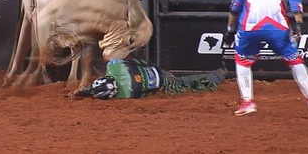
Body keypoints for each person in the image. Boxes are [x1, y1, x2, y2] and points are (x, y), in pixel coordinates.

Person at [78, 58, 226, 99]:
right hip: (155, 69)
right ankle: (218, 74)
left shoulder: (127, 94)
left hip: (163, 84)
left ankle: (216, 76)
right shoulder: (114, 67)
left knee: (185, 83)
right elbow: (119, 60)